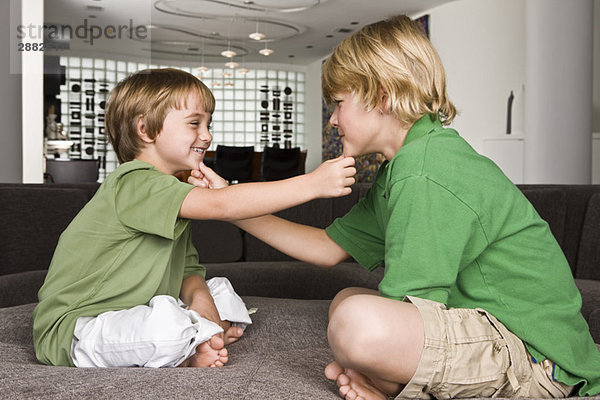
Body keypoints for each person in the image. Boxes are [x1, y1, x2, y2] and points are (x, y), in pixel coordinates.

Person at [190, 15, 600, 399]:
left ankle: (388, 386)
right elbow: (327, 248)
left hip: (536, 361)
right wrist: (231, 202)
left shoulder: (425, 169)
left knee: (359, 323)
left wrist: (370, 361)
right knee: (346, 301)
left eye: (338, 102)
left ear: (380, 97)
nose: (333, 120)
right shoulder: (405, 164)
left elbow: (411, 304)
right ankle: (382, 382)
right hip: (492, 332)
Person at [32, 68, 356, 369]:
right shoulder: (133, 181)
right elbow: (221, 206)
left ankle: (198, 335)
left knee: (219, 290)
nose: (207, 136)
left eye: (208, 124)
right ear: (145, 129)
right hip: (79, 328)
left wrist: (202, 301)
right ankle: (192, 341)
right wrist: (311, 184)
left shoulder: (171, 193)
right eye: (194, 123)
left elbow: (187, 270)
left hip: (136, 310)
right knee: (166, 326)